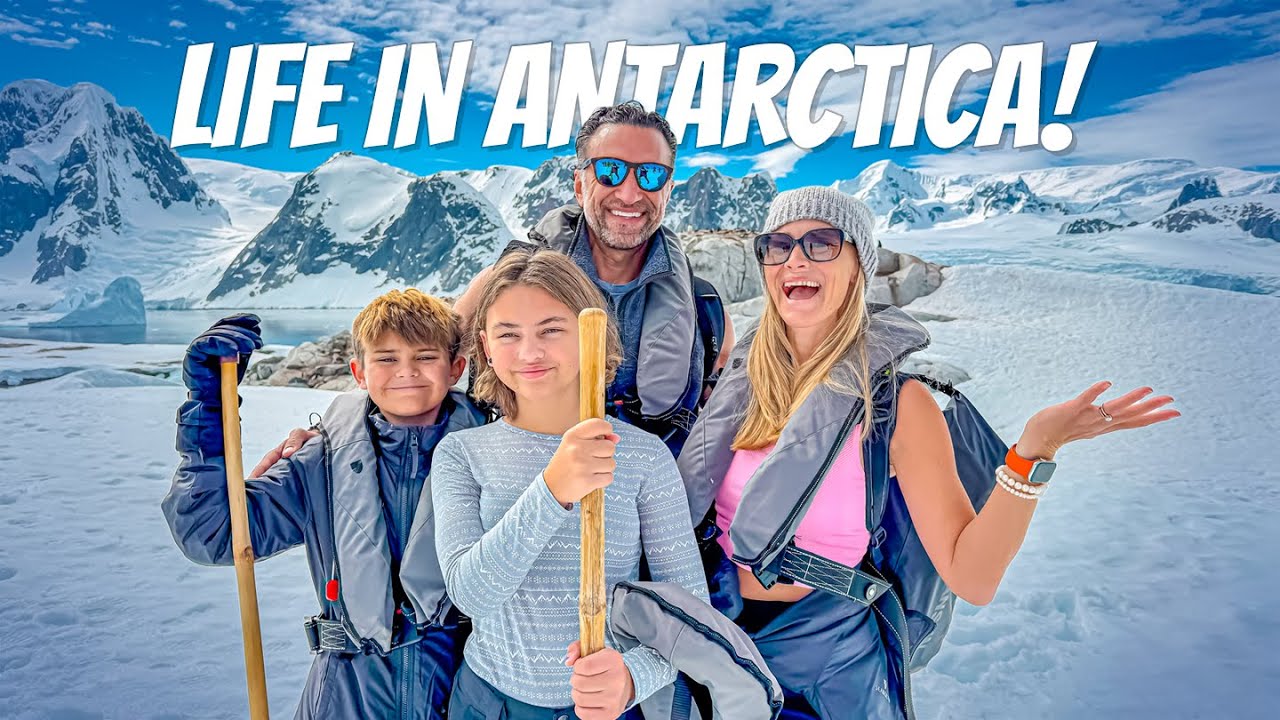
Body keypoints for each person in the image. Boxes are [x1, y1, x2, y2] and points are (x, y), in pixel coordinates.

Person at [677, 187, 1180, 719]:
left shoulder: (898, 405)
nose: (795, 258)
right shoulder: (740, 378)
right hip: (712, 638)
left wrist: (1036, 450)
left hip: (822, 666)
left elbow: (971, 576)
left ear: (858, 269)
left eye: (821, 243)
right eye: (777, 245)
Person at [250, 101, 732, 476]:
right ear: (581, 184)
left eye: (650, 174)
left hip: (645, 516)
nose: (630, 192)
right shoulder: (509, 281)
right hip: (524, 507)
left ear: (669, 187)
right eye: (610, 171)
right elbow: (420, 371)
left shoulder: (705, 310)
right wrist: (334, 433)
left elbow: (718, 422)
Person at [162, 290, 486, 719]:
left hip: (461, 693)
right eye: (386, 358)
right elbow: (213, 533)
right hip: (346, 698)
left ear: (456, 368)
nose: (406, 372)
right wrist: (209, 409)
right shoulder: (320, 462)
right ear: (359, 372)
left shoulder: (491, 453)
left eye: (425, 356)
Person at [429, 247, 710, 720]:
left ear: (590, 335)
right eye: (508, 334)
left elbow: (691, 614)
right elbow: (470, 594)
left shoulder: (642, 456)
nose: (530, 352)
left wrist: (631, 677)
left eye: (552, 330)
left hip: (607, 709)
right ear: (485, 347)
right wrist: (554, 488)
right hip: (487, 703)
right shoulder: (462, 454)